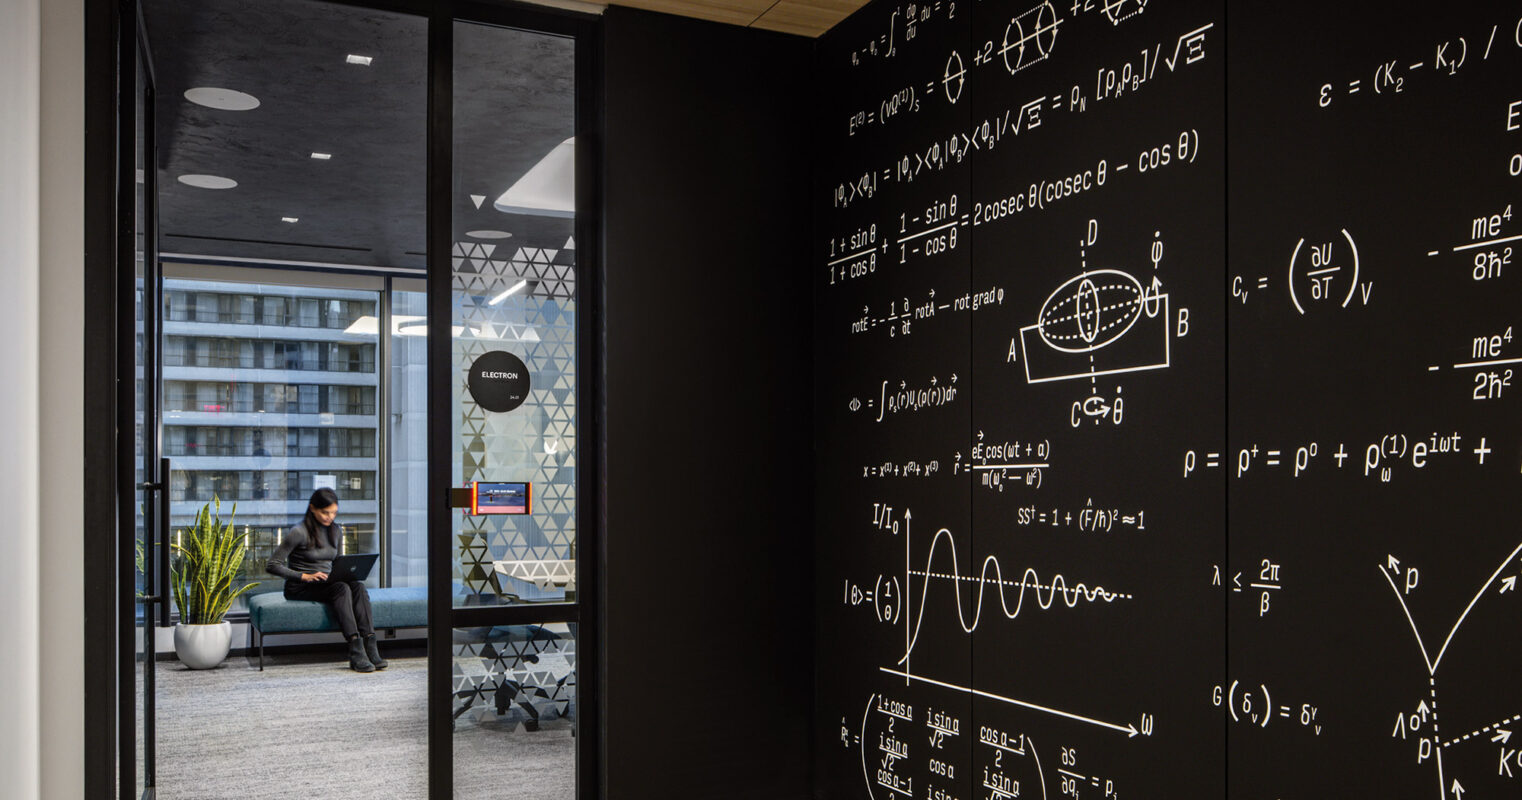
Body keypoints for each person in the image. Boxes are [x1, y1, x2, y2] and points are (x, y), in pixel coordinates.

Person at [266, 487, 386, 672]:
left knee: (358, 586)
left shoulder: (336, 531)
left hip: (326, 583)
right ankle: (355, 650)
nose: (330, 517)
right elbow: (272, 565)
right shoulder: (299, 531)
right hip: (300, 587)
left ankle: (370, 644)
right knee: (341, 589)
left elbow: (337, 561)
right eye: (325, 512)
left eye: (334, 513)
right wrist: (304, 576)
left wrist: (345, 573)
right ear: (313, 508)